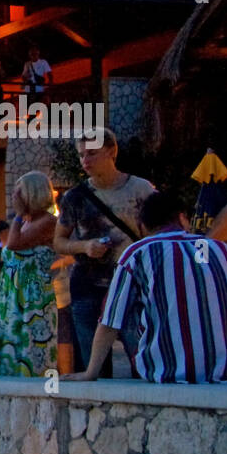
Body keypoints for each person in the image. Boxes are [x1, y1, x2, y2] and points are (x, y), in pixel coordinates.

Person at [63, 191, 227, 384]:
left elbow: (111, 320)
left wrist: (90, 372)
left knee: (138, 299)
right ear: (181, 218)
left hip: (169, 373)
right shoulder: (225, 251)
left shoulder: (139, 253)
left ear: (142, 226)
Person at [53, 128, 155, 377]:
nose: (85, 161)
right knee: (92, 367)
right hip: (88, 286)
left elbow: (158, 235)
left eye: (92, 154)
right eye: (81, 155)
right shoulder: (75, 197)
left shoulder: (142, 190)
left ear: (112, 152)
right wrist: (84, 247)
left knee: (141, 360)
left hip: (132, 286)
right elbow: (58, 241)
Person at [0, 172, 58, 377]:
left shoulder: (47, 221)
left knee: (29, 349)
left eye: (19, 192)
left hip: (32, 298)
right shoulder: (26, 223)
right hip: (12, 296)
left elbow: (15, 244)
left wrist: (18, 215)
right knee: (9, 350)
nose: (14, 196)